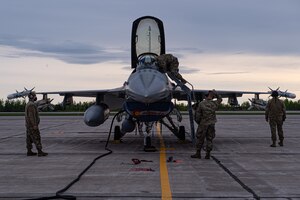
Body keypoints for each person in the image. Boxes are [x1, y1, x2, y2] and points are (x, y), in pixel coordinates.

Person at [191, 90, 222, 159]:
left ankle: (198, 153)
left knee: (200, 139)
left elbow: (197, 116)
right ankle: (208, 154)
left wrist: (199, 122)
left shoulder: (201, 104)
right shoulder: (214, 103)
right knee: (209, 139)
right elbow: (220, 99)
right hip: (211, 124)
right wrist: (215, 93)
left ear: (205, 96)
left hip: (203, 124)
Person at [25, 91, 48, 156]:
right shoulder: (31, 105)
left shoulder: (29, 104)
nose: (36, 97)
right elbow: (31, 116)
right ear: (32, 96)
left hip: (28, 125)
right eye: (35, 95)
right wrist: (34, 125)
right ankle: (40, 151)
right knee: (36, 137)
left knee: (29, 138)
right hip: (32, 125)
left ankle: (29, 151)